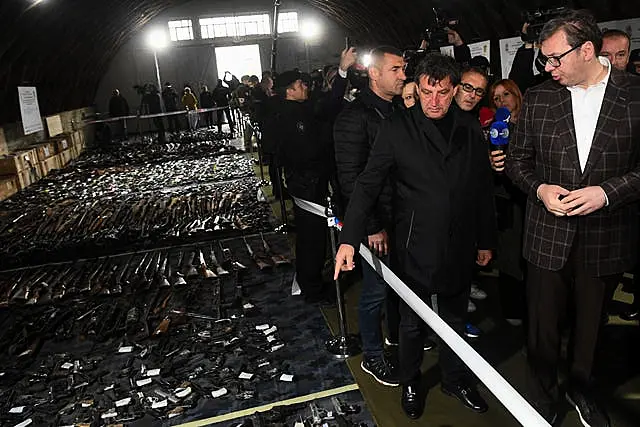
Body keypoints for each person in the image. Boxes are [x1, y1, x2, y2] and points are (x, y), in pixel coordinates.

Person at [334, 54, 496, 420]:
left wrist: (486, 239)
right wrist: (348, 238)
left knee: (454, 318)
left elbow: (481, 189)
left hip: (460, 242)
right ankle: (410, 381)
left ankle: (455, 379)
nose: (434, 101)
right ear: (417, 88)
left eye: (442, 93)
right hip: (414, 243)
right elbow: (367, 185)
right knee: (411, 322)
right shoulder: (396, 127)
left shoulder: (469, 127)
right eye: (427, 92)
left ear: (454, 90)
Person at [506, 10, 640, 426]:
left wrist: (606, 192)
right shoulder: (540, 96)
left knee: (592, 330)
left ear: (587, 49)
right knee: (542, 330)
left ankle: (583, 392)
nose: (548, 68)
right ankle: (542, 401)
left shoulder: (636, 95)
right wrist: (539, 189)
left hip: (607, 235)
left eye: (554, 58)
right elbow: (517, 161)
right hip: (547, 236)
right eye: (543, 59)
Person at [334, 46, 406, 388]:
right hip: (375, 222)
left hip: (400, 216)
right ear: (374, 73)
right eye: (396, 69)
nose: (403, 75)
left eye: (403, 68)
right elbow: (352, 179)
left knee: (396, 287)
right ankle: (373, 356)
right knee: (375, 291)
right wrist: (373, 226)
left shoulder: (396, 111)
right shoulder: (354, 116)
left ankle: (393, 339)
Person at [453, 67, 491, 336]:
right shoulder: (435, 119)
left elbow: (481, 184)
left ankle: (456, 319)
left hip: (465, 216)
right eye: (468, 87)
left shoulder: (474, 124)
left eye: (479, 91)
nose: (472, 95)